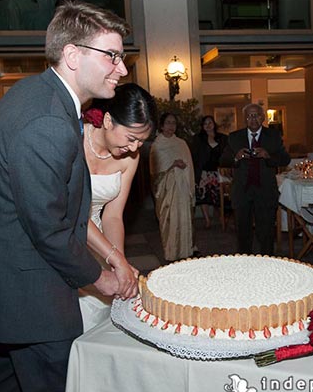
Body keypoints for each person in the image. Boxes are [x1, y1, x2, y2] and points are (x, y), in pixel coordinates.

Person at [0, 1, 134, 392]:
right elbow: (48, 226)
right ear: (72, 55)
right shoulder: (48, 119)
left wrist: (111, 256)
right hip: (29, 290)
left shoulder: (33, 91)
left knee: (3, 390)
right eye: (112, 56)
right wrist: (100, 280)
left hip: (8, 280)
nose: (123, 68)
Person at [78, 83, 158, 331]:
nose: (135, 149)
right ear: (109, 120)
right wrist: (115, 258)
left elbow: (112, 216)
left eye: (141, 142)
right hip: (63, 232)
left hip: (98, 237)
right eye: (131, 138)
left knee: (102, 315)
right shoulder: (73, 140)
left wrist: (117, 261)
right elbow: (73, 213)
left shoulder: (130, 159)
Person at [219, 103, 291, 255]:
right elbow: (223, 160)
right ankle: (245, 267)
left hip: (265, 191)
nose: (253, 119)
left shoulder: (273, 136)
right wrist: (236, 157)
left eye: (257, 115)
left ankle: (267, 266)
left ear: (263, 118)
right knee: (243, 234)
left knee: (266, 234)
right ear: (245, 119)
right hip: (242, 192)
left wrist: (268, 156)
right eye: (250, 116)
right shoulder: (234, 137)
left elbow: (285, 159)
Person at [150, 112, 198, 262]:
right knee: (170, 219)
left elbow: (189, 164)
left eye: (174, 123)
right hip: (167, 188)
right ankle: (171, 251)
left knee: (184, 217)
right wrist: (172, 164)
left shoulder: (181, 143)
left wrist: (184, 166)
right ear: (162, 126)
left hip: (182, 185)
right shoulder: (157, 145)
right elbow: (155, 169)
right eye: (168, 123)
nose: (171, 126)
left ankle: (186, 249)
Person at [191, 115, 228, 229]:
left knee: (219, 197)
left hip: (218, 172)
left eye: (210, 122)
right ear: (202, 126)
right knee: (203, 197)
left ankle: (221, 217)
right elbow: (195, 156)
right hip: (204, 173)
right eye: (205, 123)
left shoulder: (222, 138)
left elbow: (227, 154)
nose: (208, 125)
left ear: (214, 124)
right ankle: (207, 220)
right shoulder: (198, 139)